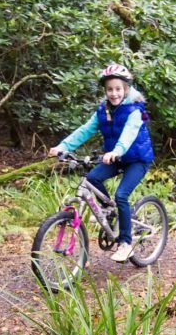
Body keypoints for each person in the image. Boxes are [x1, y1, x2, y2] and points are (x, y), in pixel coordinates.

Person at [47, 62, 156, 263]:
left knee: (122, 194)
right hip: (115, 157)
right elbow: (85, 130)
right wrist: (63, 146)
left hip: (137, 159)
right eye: (109, 89)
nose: (113, 93)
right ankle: (110, 210)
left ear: (126, 89)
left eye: (118, 89)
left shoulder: (134, 111)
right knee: (92, 178)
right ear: (105, 91)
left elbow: (129, 134)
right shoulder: (103, 111)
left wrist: (116, 151)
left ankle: (125, 243)